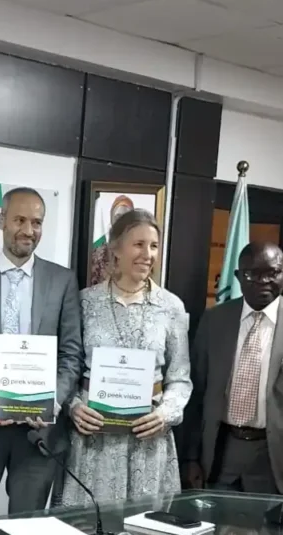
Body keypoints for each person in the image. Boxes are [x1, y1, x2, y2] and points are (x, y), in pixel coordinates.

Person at [0, 187, 81, 520]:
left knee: (27, 532)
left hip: (38, 430)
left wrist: (53, 401)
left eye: (36, 222)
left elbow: (71, 354)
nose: (28, 230)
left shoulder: (62, 280)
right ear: (2, 220)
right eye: (20, 220)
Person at [183, 241, 283, 495]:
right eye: (252, 274)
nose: (263, 281)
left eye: (272, 273)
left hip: (277, 460)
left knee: (269, 523)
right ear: (238, 276)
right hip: (220, 454)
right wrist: (190, 457)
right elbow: (196, 393)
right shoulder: (214, 320)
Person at [62, 209, 189, 508]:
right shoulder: (84, 302)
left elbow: (180, 378)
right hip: (94, 440)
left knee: (144, 530)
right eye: (139, 244)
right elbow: (67, 366)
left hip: (148, 442)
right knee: (89, 527)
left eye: (154, 246)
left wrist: (165, 414)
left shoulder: (171, 307)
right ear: (116, 249)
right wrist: (73, 406)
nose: (148, 254)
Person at [89, 194, 135, 286]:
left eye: (126, 217)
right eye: (118, 216)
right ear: (112, 219)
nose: (122, 221)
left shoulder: (139, 252)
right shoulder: (98, 253)